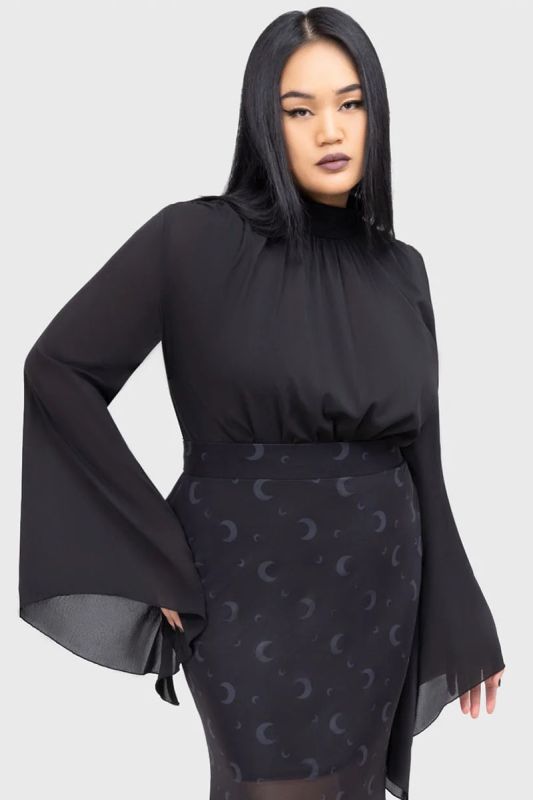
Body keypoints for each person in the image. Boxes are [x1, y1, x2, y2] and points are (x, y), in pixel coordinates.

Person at [18, 7, 505, 800]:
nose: (330, 130)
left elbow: (424, 456)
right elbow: (58, 371)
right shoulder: (191, 240)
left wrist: (462, 612)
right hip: (240, 582)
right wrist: (153, 553)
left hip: (380, 582)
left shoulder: (401, 269)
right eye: (299, 110)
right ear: (262, 123)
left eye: (350, 103)